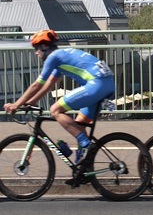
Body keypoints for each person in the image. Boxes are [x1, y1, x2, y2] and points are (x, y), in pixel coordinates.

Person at [3, 29, 115, 165]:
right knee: (79, 124)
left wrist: (17, 104)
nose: (36, 52)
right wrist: (30, 102)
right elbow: (49, 84)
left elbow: (37, 84)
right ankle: (83, 169)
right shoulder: (61, 56)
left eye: (36, 48)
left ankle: (87, 144)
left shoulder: (53, 57)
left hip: (96, 84)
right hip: (107, 84)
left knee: (55, 110)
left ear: (44, 46)